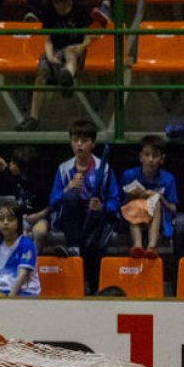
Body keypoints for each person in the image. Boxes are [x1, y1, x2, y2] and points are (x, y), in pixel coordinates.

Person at [49, 118, 118, 292]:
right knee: (71, 196)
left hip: (95, 219)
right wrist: (66, 189)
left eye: (85, 141)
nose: (79, 145)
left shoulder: (105, 169)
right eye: (75, 140)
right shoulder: (63, 169)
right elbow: (53, 201)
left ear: (93, 143)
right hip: (70, 220)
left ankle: (93, 288)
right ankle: (73, 247)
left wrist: (102, 207)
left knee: (93, 246)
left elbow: (114, 201)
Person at [15, 0, 93, 133]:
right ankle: (33, 118)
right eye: (56, 3)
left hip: (75, 50)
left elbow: (88, 39)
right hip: (55, 51)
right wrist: (50, 57)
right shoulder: (49, 10)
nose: (59, 7)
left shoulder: (80, 10)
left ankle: (67, 76)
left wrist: (79, 48)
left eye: (62, 3)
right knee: (41, 71)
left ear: (69, 0)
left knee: (70, 53)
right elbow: (48, 40)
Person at [118, 134, 177, 260]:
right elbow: (120, 204)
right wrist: (131, 197)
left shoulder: (168, 179)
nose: (150, 159)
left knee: (155, 201)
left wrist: (161, 198)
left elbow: (174, 209)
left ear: (162, 159)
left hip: (158, 221)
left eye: (155, 156)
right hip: (133, 218)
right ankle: (137, 246)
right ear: (141, 157)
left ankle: (151, 248)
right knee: (134, 203)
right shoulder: (128, 175)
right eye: (147, 154)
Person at [0, 146, 52, 252]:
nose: (10, 164)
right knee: (21, 233)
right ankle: (21, 260)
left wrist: (34, 217)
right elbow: (1, 163)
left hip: (39, 218)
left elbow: (50, 207)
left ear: (24, 168)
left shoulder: (41, 184)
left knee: (40, 232)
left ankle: (33, 260)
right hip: (21, 218)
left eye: (13, 163)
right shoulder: (14, 177)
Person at [0, 204, 41, 297]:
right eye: (1, 219)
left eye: (10, 219)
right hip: (2, 292)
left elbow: (23, 275)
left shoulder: (26, 244)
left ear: (18, 222)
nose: (5, 222)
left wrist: (11, 297)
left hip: (26, 293)